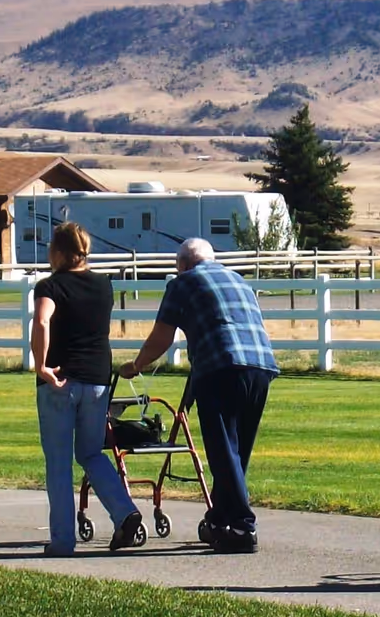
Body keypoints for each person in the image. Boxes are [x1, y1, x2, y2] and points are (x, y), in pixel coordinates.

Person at [119, 238, 278, 553]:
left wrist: (136, 365)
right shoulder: (239, 280)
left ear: (183, 264)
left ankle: (244, 527)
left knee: (222, 450)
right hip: (261, 366)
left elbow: (162, 337)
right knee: (237, 451)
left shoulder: (183, 283)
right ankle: (220, 519)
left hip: (220, 367)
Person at [31, 222, 143, 555]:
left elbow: (41, 321)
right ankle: (125, 512)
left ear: (60, 252)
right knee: (91, 453)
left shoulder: (50, 286)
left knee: (58, 462)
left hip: (60, 380)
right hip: (97, 379)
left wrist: (40, 365)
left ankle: (63, 540)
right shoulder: (103, 286)